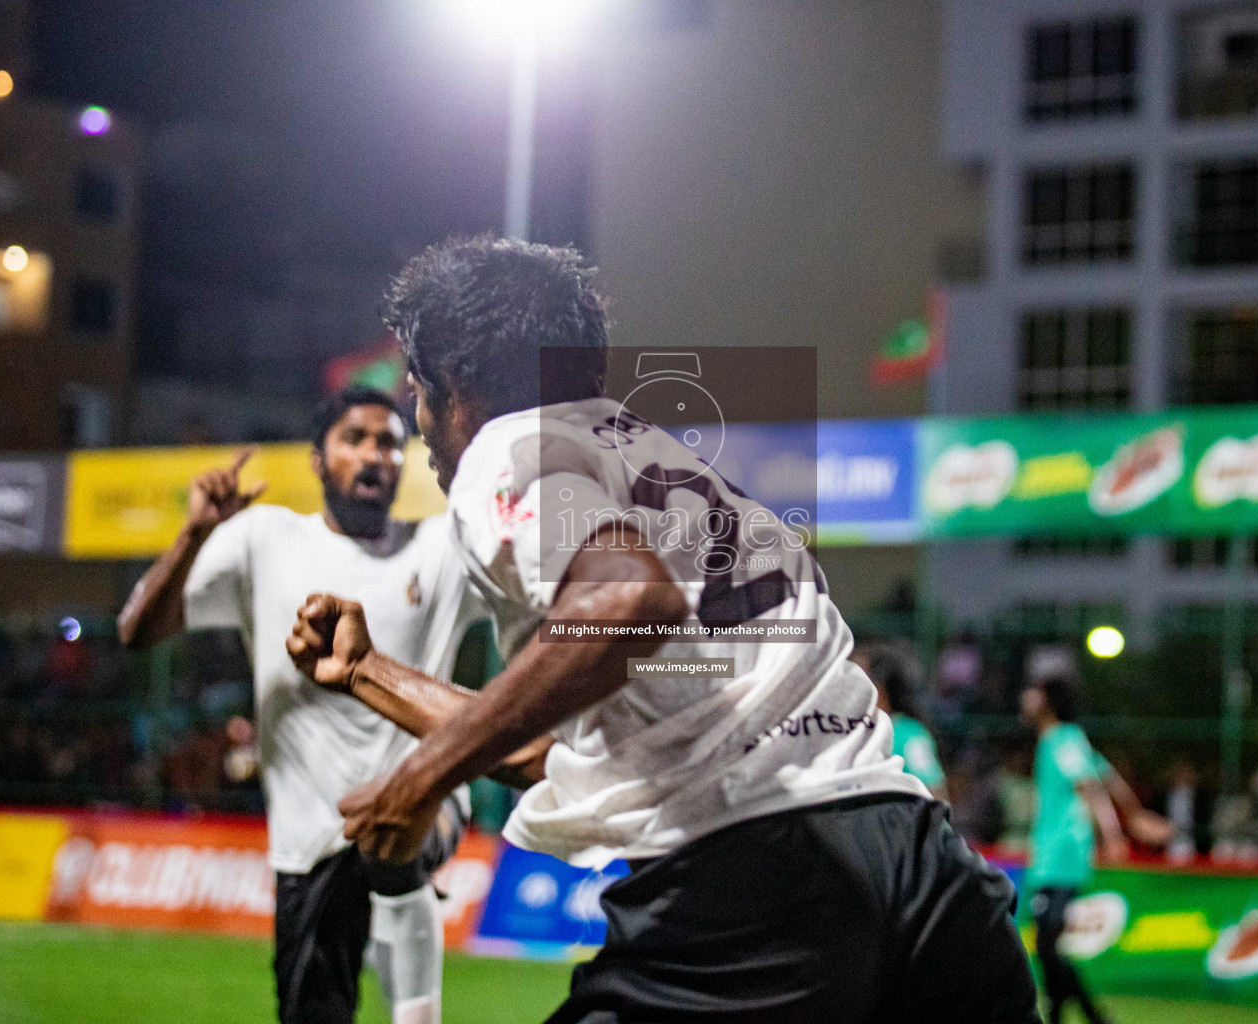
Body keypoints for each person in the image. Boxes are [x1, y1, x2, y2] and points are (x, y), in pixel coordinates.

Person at [286, 237, 1040, 1024]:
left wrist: (416, 783)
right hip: (924, 873)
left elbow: (628, 604)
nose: (417, 421)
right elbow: (560, 739)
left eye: (417, 389)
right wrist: (370, 672)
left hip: (758, 888)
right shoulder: (654, 459)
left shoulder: (501, 454)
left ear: (461, 385)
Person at [118, 386, 484, 1024]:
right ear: (318, 459)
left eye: (391, 442)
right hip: (308, 840)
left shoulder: (441, 546)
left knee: (397, 840)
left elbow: (547, 599)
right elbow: (137, 631)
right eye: (356, 439)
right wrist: (195, 534)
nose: (376, 455)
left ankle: (416, 1010)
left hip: (422, 802)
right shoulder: (264, 538)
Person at [1020, 675, 1128, 1024]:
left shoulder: (1060, 738)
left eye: (1032, 691)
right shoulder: (1067, 739)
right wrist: (1136, 814)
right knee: (1048, 947)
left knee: (1047, 945)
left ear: (1048, 701)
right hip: (1053, 854)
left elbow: (1088, 784)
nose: (1025, 697)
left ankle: (1089, 1015)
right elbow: (1106, 774)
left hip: (1061, 853)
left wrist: (1112, 834)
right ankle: (1066, 1015)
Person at [852, 640, 949, 801]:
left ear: (880, 690)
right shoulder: (849, 732)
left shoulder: (909, 735)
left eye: (856, 680)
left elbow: (934, 794)